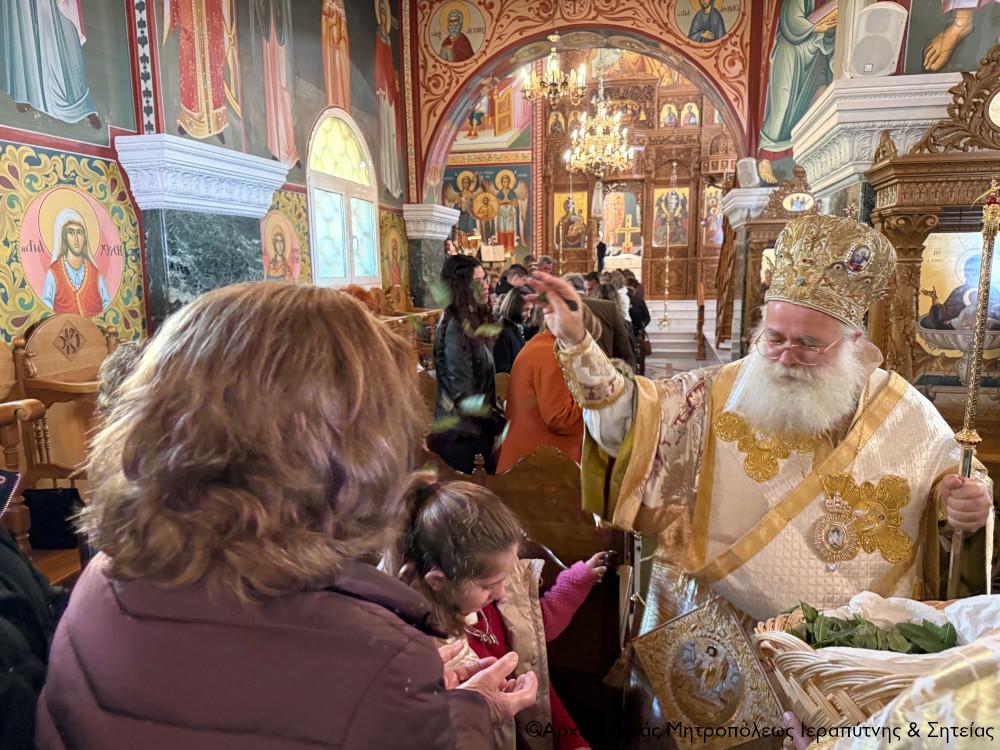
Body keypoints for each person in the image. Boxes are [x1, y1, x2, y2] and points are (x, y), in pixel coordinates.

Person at [37, 282, 537, 749]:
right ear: (354, 450)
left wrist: (411, 701)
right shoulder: (375, 657)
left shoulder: (98, 579)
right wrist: (473, 709)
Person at [529, 214, 993, 623]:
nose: (786, 356)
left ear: (853, 341)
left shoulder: (901, 408)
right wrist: (577, 344)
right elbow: (629, 420)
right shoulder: (721, 392)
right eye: (774, 338)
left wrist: (967, 506)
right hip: (730, 635)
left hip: (854, 652)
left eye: (809, 345)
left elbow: (957, 488)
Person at [386, 476, 606, 749]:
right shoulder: (414, 651)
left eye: (506, 577)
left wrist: (573, 742)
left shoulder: (488, 606)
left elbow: (535, 656)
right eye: (488, 586)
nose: (501, 593)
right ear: (438, 581)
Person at [498, 306, 603, 472]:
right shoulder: (552, 355)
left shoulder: (542, 343)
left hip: (529, 457)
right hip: (541, 468)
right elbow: (560, 418)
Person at [431, 255, 504, 474]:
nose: (485, 286)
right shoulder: (456, 329)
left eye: (485, 279)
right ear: (461, 286)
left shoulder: (470, 322)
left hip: (475, 431)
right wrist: (500, 424)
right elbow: (464, 397)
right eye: (477, 281)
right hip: (462, 438)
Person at [40, 209, 111, 316]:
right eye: (71, 232)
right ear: (64, 237)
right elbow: (45, 308)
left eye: (79, 232)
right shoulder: (54, 272)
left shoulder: (95, 273)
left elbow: (108, 306)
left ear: (85, 238)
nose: (76, 239)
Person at [493, 289, 527, 375]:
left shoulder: (514, 328)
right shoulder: (502, 332)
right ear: (515, 307)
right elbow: (503, 373)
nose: (529, 315)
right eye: (525, 310)